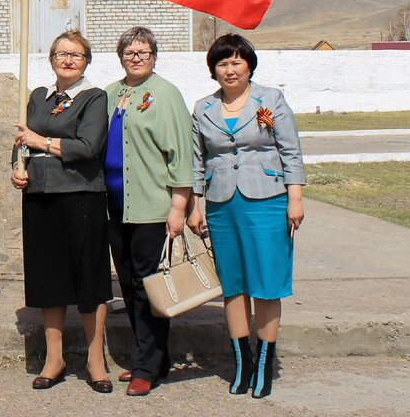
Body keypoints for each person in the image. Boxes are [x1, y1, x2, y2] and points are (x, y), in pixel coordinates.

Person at [188, 33, 306, 399]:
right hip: (222, 204)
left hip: (268, 201)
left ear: (249, 65)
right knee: (234, 285)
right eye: (222, 63)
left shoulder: (270, 99)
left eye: (237, 61)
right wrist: (194, 203)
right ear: (214, 70)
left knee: (267, 284)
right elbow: (197, 161)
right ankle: (243, 362)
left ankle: (266, 364)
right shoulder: (203, 107)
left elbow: (291, 151)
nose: (230, 69)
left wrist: (295, 199)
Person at [11, 30, 112, 391]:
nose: (68, 60)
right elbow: (21, 141)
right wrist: (17, 167)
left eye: (76, 55)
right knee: (48, 279)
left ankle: (95, 359)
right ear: (51, 58)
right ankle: (54, 358)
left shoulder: (94, 98)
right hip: (40, 196)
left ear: (86, 61)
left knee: (89, 279)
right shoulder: (37, 96)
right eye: (61, 54)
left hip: (80, 195)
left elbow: (87, 146)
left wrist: (41, 141)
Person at [101, 26, 194, 396]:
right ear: (120, 56)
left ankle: (146, 367)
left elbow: (180, 154)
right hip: (116, 208)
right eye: (129, 52)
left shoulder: (166, 95)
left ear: (154, 56)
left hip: (152, 209)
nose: (136, 58)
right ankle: (155, 357)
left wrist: (179, 206)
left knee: (149, 289)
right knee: (128, 285)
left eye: (143, 52)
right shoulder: (111, 93)